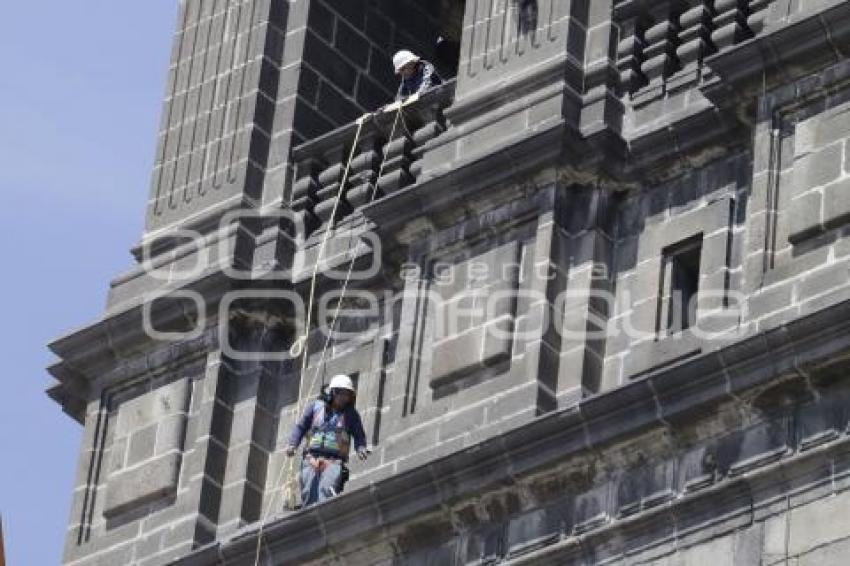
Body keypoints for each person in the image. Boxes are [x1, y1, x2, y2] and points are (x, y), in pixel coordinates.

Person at [286, 374, 368, 507]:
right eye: (341, 394)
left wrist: (361, 448)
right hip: (311, 460)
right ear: (333, 392)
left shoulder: (351, 415)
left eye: (347, 395)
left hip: (333, 462)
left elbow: (359, 435)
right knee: (308, 494)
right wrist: (292, 444)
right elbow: (300, 427)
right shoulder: (314, 407)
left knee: (327, 493)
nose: (344, 398)